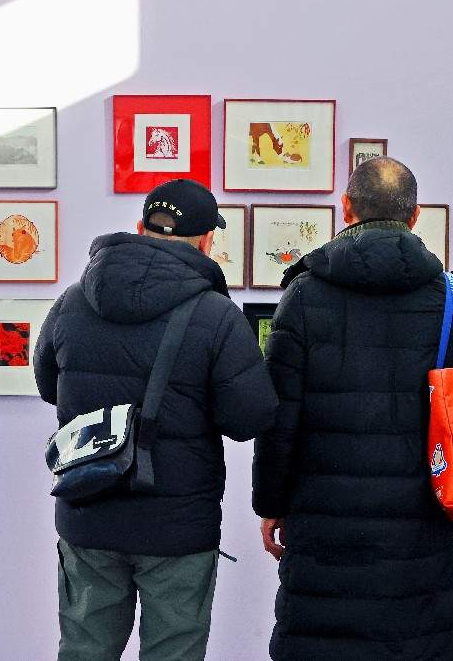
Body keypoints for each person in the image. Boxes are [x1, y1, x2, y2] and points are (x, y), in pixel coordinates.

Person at [253, 157, 453, 660]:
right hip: (421, 520)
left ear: (346, 208)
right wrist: (436, 449)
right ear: (414, 216)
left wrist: (271, 503)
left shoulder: (303, 295)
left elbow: (278, 417)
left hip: (323, 520)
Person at [34, 179, 278, 660]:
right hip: (177, 524)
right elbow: (248, 418)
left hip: (88, 510)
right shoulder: (216, 315)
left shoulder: (73, 301)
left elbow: (48, 387)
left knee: (83, 651)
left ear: (139, 226)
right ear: (207, 241)